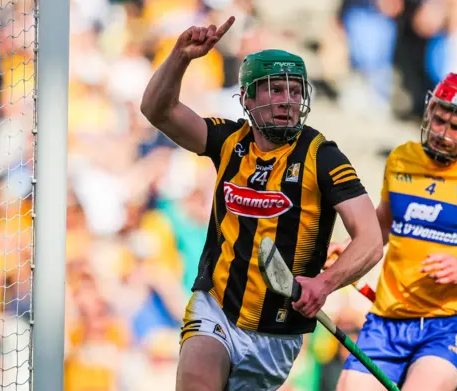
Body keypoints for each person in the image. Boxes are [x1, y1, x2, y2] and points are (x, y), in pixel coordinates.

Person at [139, 16, 383, 391]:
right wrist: (180, 57)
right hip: (216, 307)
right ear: (247, 98)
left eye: (295, 90)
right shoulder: (226, 140)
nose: (287, 100)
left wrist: (324, 284)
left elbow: (369, 239)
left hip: (278, 332)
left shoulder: (323, 157)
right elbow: (158, 111)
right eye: (274, 89)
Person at [331, 72, 457, 391]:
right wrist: (352, 248)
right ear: (429, 111)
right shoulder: (401, 159)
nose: (445, 134)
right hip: (387, 320)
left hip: (451, 324)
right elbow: (381, 226)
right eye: (440, 121)